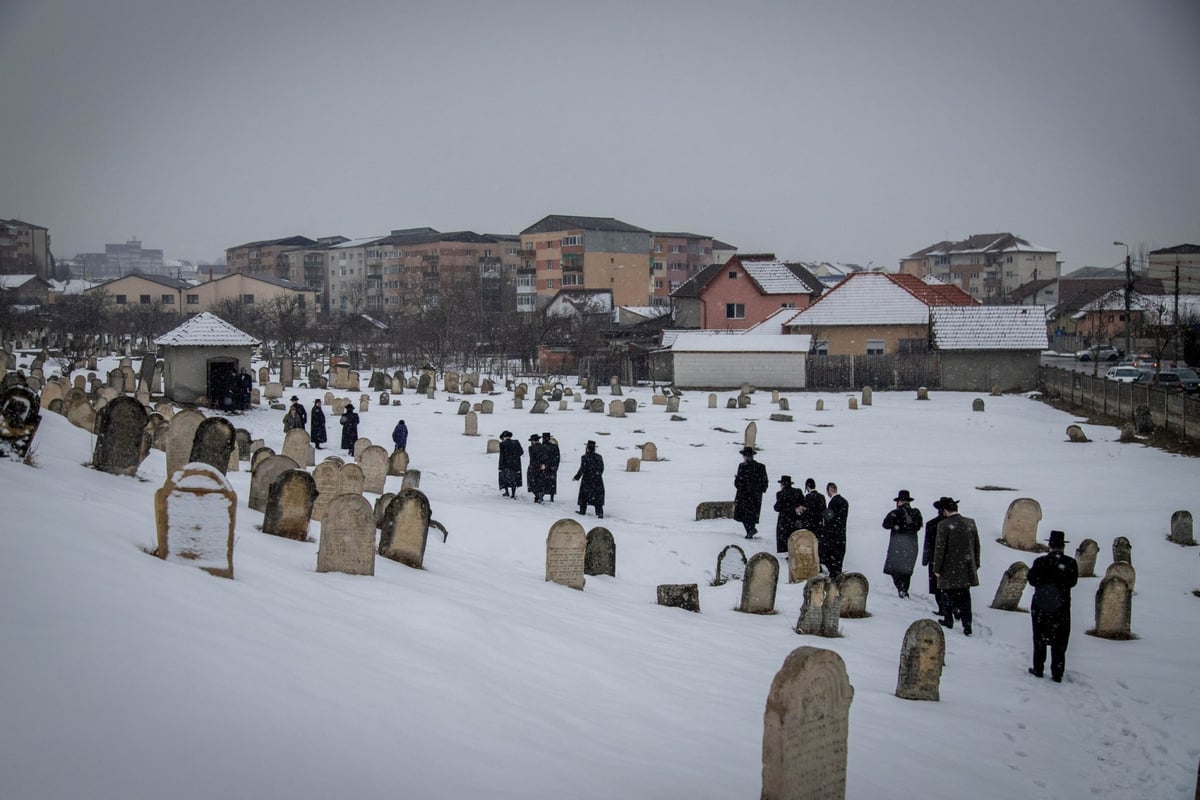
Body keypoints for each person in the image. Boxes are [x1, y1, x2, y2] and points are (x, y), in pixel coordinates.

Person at [1027, 529, 1078, 682]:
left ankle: (1038, 668)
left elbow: (1032, 580)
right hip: (1061, 607)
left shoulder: (1040, 562)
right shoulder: (1070, 563)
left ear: (1050, 545)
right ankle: (1057, 671)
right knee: (1060, 640)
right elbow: (1072, 582)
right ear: (1063, 546)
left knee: (1039, 638)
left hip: (1041, 605)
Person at [933, 497, 980, 636]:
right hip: (966, 566)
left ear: (945, 510)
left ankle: (949, 620)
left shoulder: (944, 525)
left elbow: (940, 548)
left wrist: (937, 568)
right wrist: (975, 563)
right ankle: (967, 624)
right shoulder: (970, 522)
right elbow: (977, 545)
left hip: (949, 566)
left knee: (947, 593)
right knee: (965, 596)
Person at [882, 489, 923, 598]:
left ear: (899, 501)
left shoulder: (895, 513)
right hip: (912, 545)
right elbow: (918, 526)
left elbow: (885, 524)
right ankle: (904, 588)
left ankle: (901, 588)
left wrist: (897, 525)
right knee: (906, 569)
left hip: (898, 545)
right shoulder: (916, 513)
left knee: (894, 569)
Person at [922, 497, 950, 617]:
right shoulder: (953, 524)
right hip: (951, 560)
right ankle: (952, 609)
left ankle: (943, 609)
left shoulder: (932, 524)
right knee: (951, 587)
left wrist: (926, 559)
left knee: (938, 587)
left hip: (935, 559)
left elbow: (928, 543)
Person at [733, 446, 768, 539]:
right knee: (751, 514)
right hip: (755, 495)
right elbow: (765, 482)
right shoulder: (760, 466)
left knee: (744, 514)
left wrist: (740, 485)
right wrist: (759, 490)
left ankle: (750, 530)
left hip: (745, 495)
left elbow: (739, 481)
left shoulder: (743, 466)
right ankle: (750, 530)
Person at [573, 440, 605, 517]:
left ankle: (582, 511)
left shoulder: (584, 457)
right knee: (597, 497)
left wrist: (576, 477)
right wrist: (597, 475)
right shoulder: (599, 457)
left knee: (584, 496)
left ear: (587, 448)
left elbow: (582, 469)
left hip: (587, 480)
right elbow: (602, 468)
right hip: (597, 480)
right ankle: (599, 513)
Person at [823, 482, 849, 579]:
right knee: (838, 560)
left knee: (832, 560)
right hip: (841, 535)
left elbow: (830, 520)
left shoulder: (833, 502)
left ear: (829, 490)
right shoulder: (845, 501)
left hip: (833, 536)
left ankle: (834, 579)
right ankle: (838, 576)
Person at [773, 475, 804, 553]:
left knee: (784, 539)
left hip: (784, 520)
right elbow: (803, 504)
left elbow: (776, 508)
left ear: (782, 484)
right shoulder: (798, 491)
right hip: (795, 519)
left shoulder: (780, 493)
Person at [497, 430, 524, 498]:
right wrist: (515, 457)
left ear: (503, 437)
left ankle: (506, 492)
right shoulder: (516, 442)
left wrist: (500, 466)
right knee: (514, 480)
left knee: (505, 479)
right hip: (516, 464)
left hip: (506, 464)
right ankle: (513, 493)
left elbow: (502, 456)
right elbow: (521, 452)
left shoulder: (503, 444)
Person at [799, 477, 826, 542]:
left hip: (810, 524)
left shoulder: (808, 497)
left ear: (808, 486)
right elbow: (824, 510)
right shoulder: (821, 496)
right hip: (819, 523)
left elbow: (807, 511)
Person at [541, 432, 560, 503]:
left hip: (544, 467)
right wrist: (556, 466)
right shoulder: (555, 446)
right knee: (552, 483)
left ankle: (542, 495)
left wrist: (543, 464)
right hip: (552, 467)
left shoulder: (542, 446)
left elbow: (541, 457)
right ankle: (552, 497)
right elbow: (557, 457)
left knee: (543, 482)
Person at [526, 434, 546, 503]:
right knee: (540, 481)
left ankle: (537, 496)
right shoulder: (543, 447)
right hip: (541, 466)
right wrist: (543, 464)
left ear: (533, 441)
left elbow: (532, 458)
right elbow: (545, 456)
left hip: (533, 466)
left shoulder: (531, 448)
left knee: (532, 482)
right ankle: (540, 495)